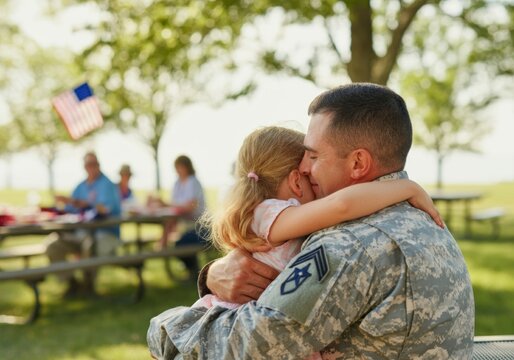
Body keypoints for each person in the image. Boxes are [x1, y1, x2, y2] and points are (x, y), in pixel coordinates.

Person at [148, 83, 475, 359]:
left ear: (358, 162)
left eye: (314, 156)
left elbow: (249, 346)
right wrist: (215, 276)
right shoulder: (417, 216)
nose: (304, 169)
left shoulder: (348, 244)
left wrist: (164, 328)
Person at [45, 151, 121, 297]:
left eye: (94, 164)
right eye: (88, 164)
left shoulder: (108, 185)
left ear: (99, 165)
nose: (91, 167)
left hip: (104, 234)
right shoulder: (80, 186)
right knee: (53, 245)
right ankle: (72, 283)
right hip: (80, 233)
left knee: (90, 245)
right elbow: (68, 211)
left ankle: (88, 287)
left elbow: (105, 209)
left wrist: (77, 203)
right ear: (84, 166)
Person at [148, 155, 207, 277]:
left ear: (187, 167)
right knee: (178, 244)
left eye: (180, 167)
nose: (178, 170)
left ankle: (195, 272)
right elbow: (174, 208)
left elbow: (189, 206)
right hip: (185, 225)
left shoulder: (193, 182)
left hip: (199, 226)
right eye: (177, 168)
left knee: (179, 245)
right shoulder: (177, 183)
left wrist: (166, 204)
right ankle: (194, 271)